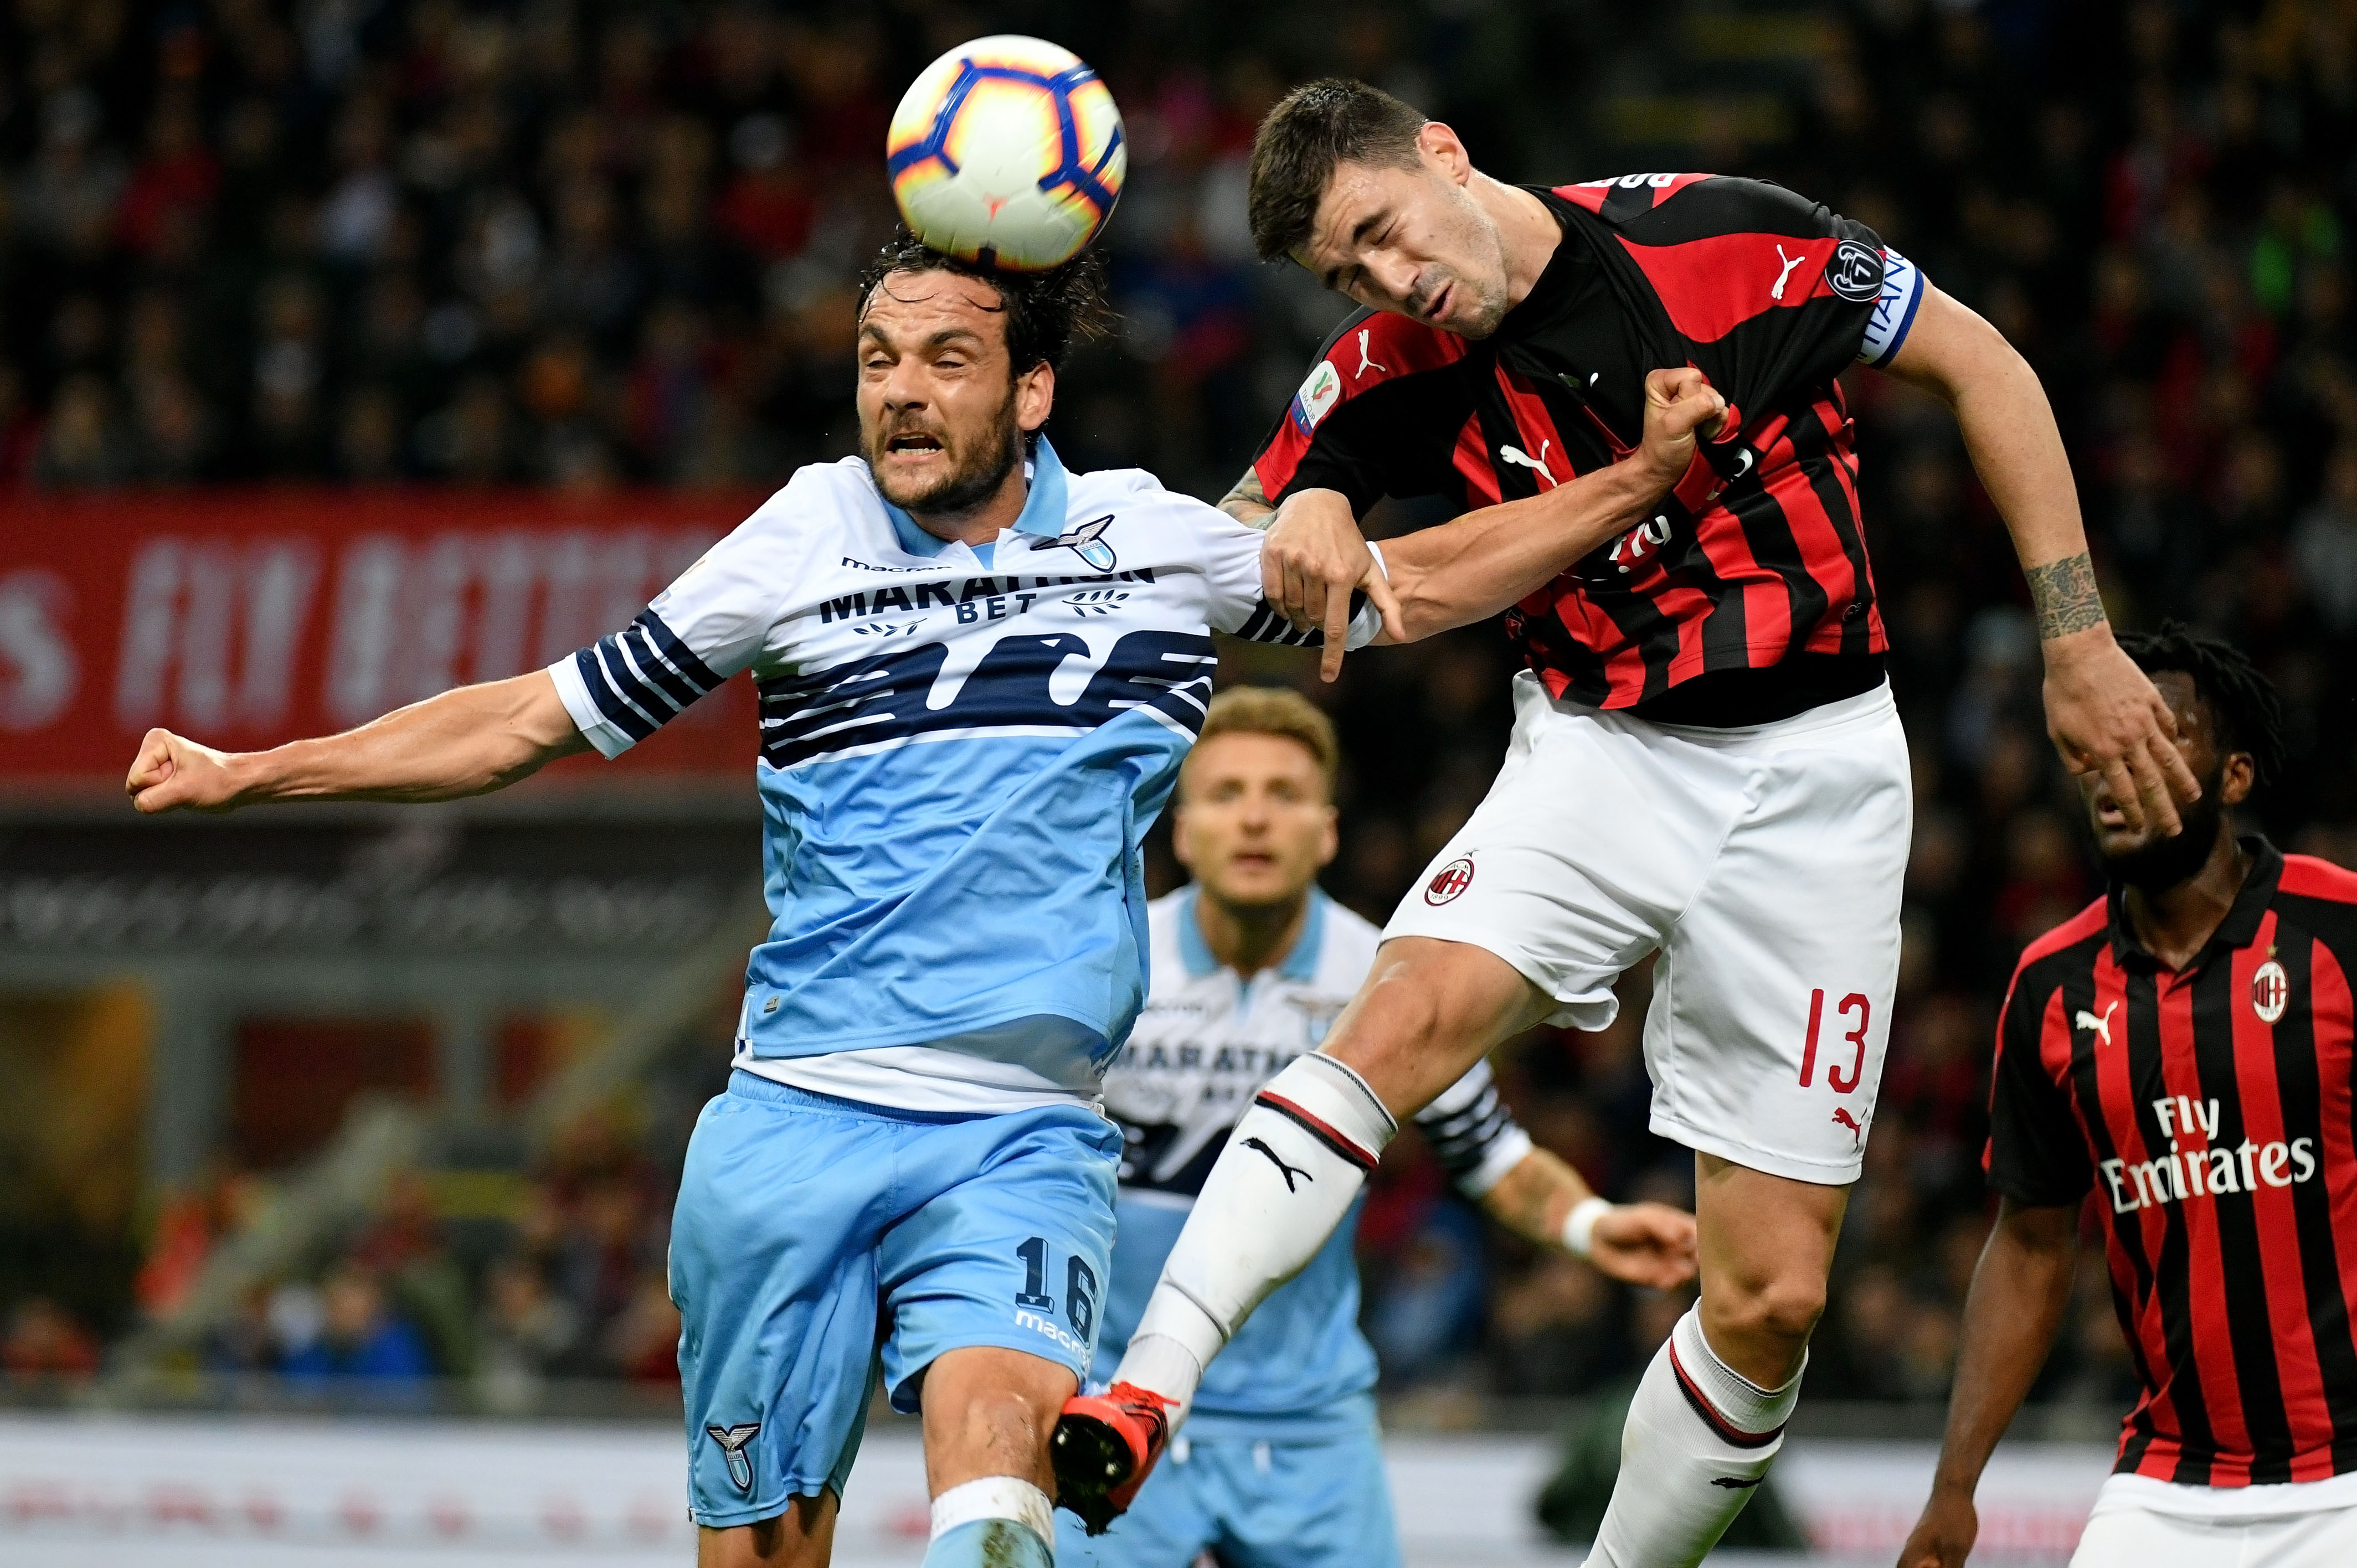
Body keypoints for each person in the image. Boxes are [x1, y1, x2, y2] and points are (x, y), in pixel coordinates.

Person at [123, 229, 1727, 1568]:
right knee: (762, 1548)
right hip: (791, 1121)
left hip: (1020, 1130)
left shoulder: (1159, 550)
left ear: (1032, 389)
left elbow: (1426, 580)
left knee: (998, 1476)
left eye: (945, 359)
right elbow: (532, 718)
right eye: (881, 357)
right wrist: (263, 772)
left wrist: (1639, 481)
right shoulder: (799, 537)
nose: (900, 389)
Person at [1054, 78, 2204, 1565]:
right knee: (1397, 1021)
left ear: (1447, 155)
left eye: (1384, 235)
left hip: (1825, 775)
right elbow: (1228, 546)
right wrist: (1297, 518)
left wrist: (2075, 638)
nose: (1392, 283)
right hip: (1599, 753)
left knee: (1774, 1303)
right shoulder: (1386, 367)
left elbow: (1984, 366)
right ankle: (1148, 1390)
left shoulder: (1726, 244)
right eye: (1345, 274)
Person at [1058, 685, 1696, 1558]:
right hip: (1114, 1398)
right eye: (1226, 794)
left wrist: (1591, 1224)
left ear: (1327, 830)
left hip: (1310, 1425)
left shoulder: (1387, 977)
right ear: (1181, 828)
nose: (1254, 820)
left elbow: (1490, 1154)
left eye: (1283, 796)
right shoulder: (1110, 971)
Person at [1898, 626, 2357, 1567]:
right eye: (2097, 748)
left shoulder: (2340, 933)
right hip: (2167, 1485)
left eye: (2154, 737)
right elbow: (2029, 1246)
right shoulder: (2050, 987)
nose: (2116, 767)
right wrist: (1953, 1489)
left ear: (2232, 779)